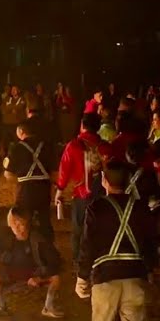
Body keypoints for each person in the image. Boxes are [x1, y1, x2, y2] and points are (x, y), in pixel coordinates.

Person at [76, 161, 160, 321]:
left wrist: (82, 276)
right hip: (135, 277)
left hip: (105, 279)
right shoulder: (141, 208)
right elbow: (152, 243)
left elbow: (87, 245)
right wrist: (150, 270)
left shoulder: (96, 207)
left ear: (104, 181)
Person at [0, 207, 64, 318]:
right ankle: (1, 305)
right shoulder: (5, 236)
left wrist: (39, 277)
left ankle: (48, 307)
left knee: (55, 279)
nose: (19, 228)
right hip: (11, 271)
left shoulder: (38, 238)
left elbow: (55, 262)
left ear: (28, 223)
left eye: (21, 224)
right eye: (15, 224)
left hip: (34, 272)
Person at [55, 112, 104, 269]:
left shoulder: (74, 145)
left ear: (82, 126)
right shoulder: (104, 146)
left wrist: (60, 190)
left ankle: (79, 261)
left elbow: (64, 169)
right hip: (102, 194)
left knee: (78, 229)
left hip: (82, 193)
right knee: (99, 228)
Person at [3, 120, 55, 239]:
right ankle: (47, 246)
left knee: (23, 220)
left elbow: (8, 173)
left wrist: (19, 181)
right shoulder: (46, 146)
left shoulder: (17, 148)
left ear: (21, 131)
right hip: (44, 187)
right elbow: (55, 172)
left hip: (25, 189)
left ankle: (26, 246)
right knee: (44, 217)